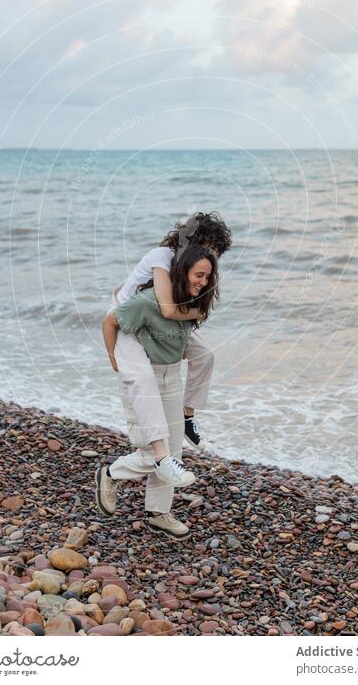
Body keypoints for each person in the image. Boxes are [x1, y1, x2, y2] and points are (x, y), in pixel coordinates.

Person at [97, 244, 218, 539]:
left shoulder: (191, 303)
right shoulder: (148, 301)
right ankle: (111, 473)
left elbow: (190, 344)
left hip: (171, 377)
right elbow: (110, 321)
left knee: (172, 452)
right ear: (182, 272)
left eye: (207, 277)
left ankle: (158, 513)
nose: (202, 282)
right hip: (144, 379)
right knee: (153, 450)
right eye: (198, 275)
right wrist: (115, 359)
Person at [106, 212, 232, 452]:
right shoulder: (163, 257)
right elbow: (168, 309)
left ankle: (186, 417)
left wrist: (184, 336)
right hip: (127, 318)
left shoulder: (194, 265)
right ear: (195, 241)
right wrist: (199, 313)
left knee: (205, 355)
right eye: (210, 248)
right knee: (142, 377)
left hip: (155, 316)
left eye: (216, 253)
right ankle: (156, 445)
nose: (212, 258)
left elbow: (178, 306)